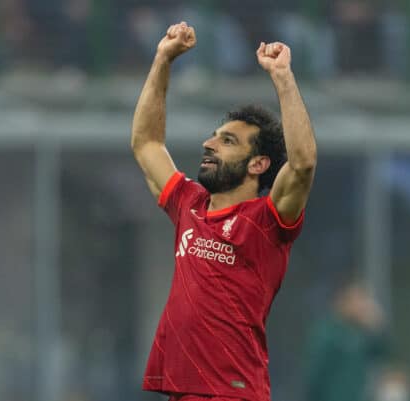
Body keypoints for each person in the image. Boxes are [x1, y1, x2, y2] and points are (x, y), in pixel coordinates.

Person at [131, 21, 317, 401]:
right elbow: (147, 143)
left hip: (232, 394)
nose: (209, 144)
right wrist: (163, 59)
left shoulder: (267, 222)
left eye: (227, 141)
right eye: (215, 136)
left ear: (258, 164)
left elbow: (302, 165)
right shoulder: (189, 204)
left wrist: (282, 77)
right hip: (184, 390)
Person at [304, 281, 389, 401]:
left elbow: (383, 353)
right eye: (356, 300)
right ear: (343, 300)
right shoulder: (328, 331)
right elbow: (314, 374)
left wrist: (378, 326)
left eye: (362, 300)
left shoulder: (361, 332)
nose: (361, 305)